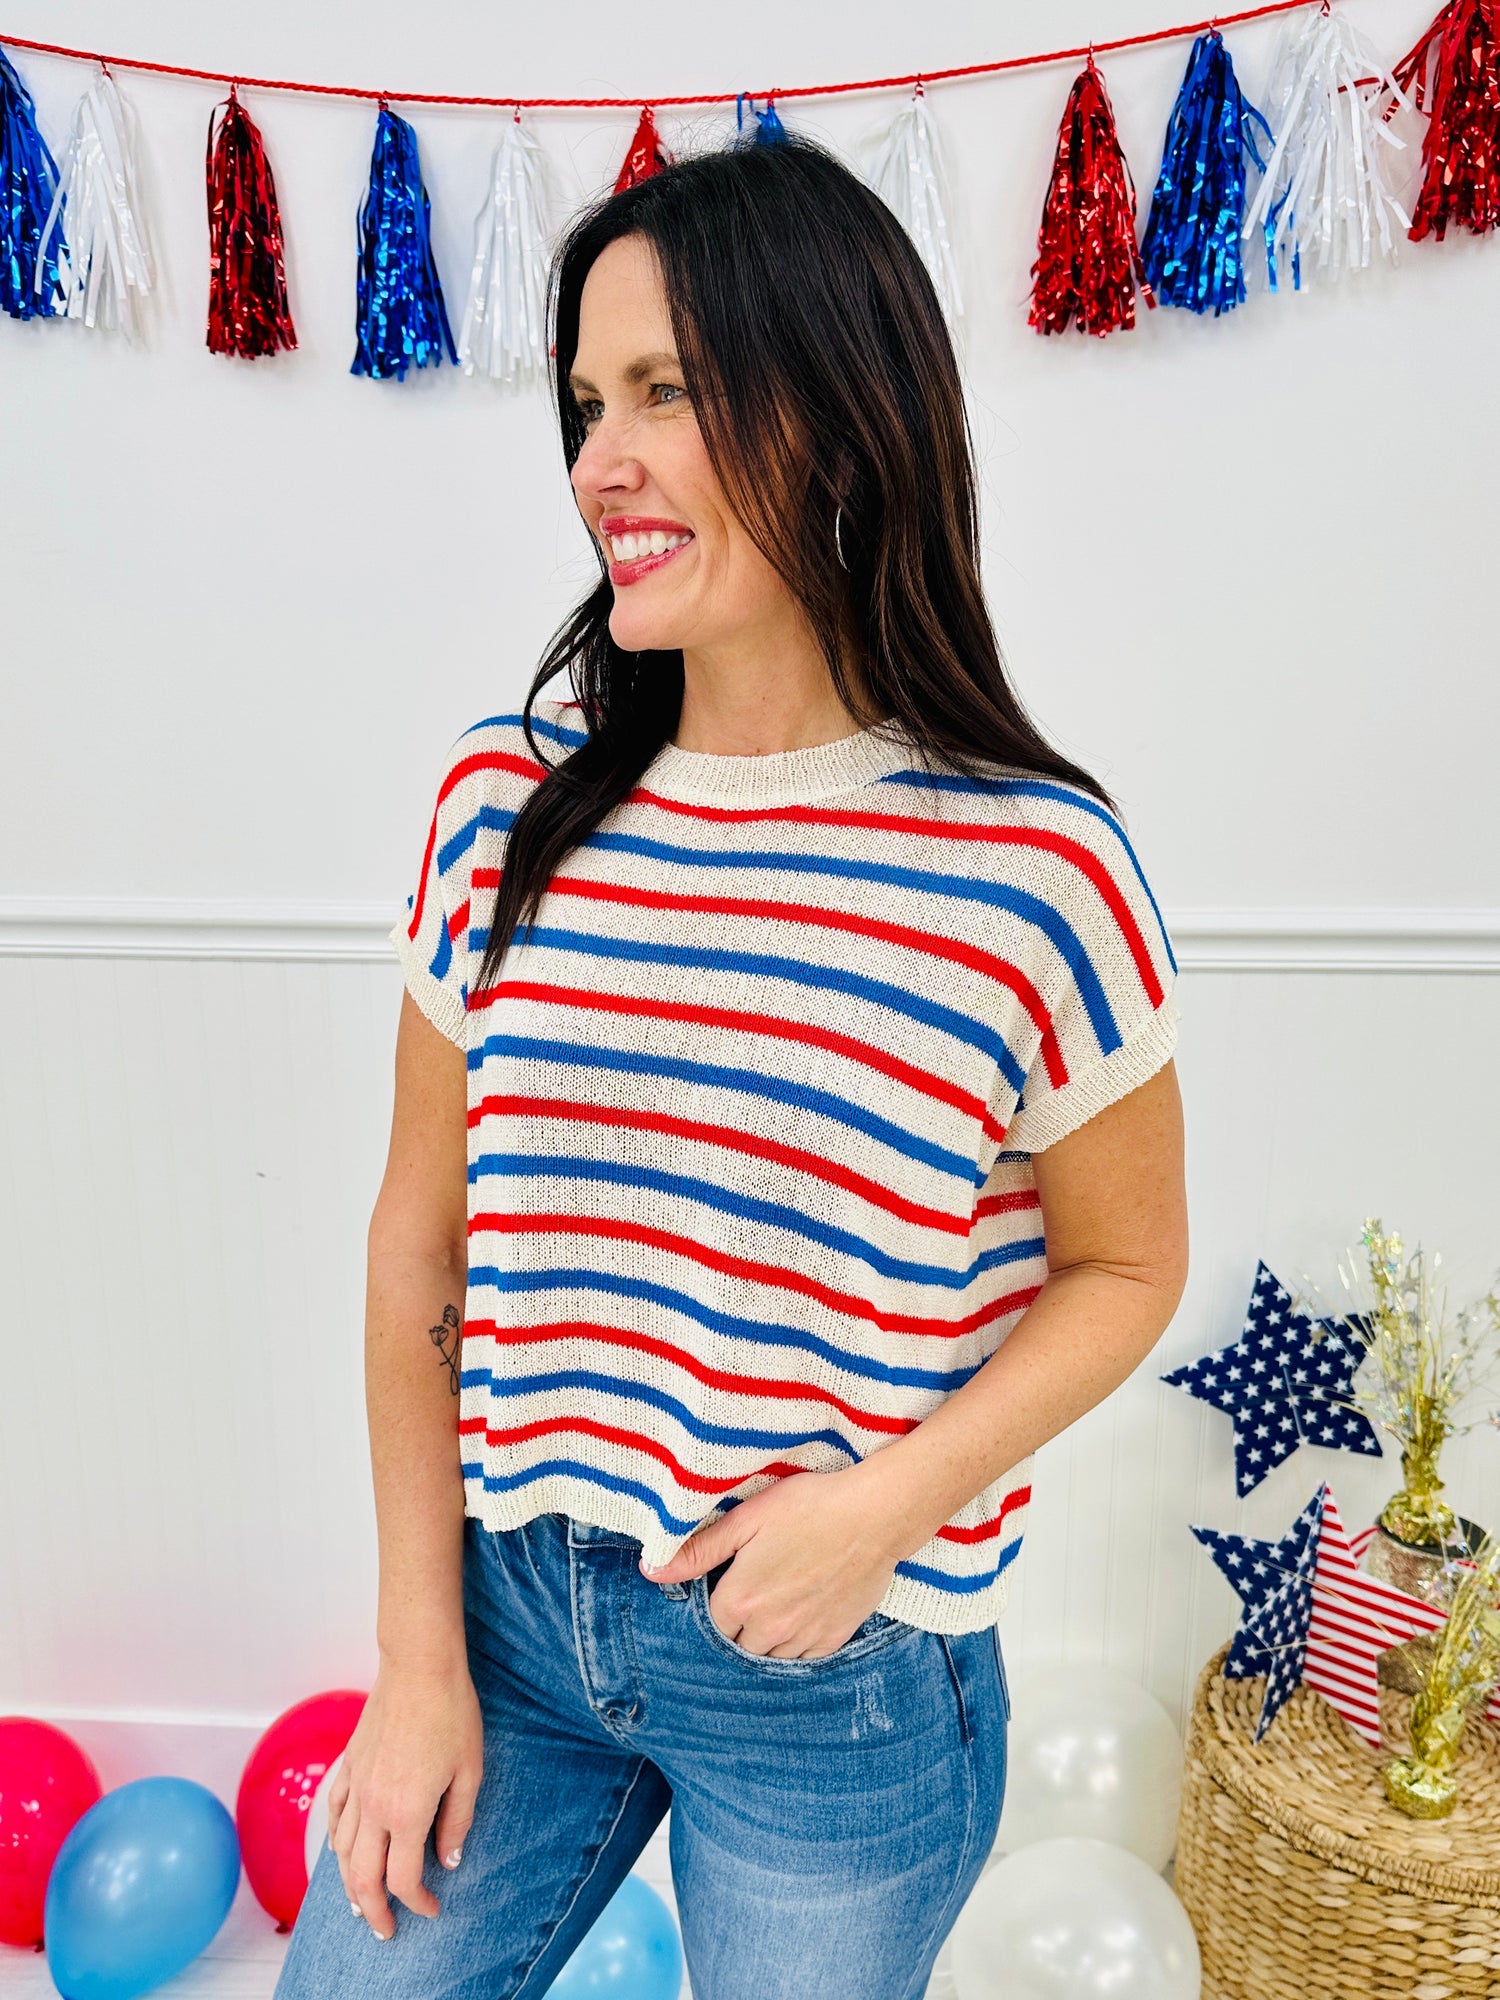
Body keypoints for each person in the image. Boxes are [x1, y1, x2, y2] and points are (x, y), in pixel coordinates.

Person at [273, 130, 1188, 2000]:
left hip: (832, 1671)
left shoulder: (1035, 867)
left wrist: (883, 1509)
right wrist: (417, 1659)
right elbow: (416, 1240)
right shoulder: (508, 803)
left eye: (666, 393)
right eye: (587, 403)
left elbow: (1129, 1264)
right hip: (513, 1611)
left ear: (840, 421)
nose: (597, 462)